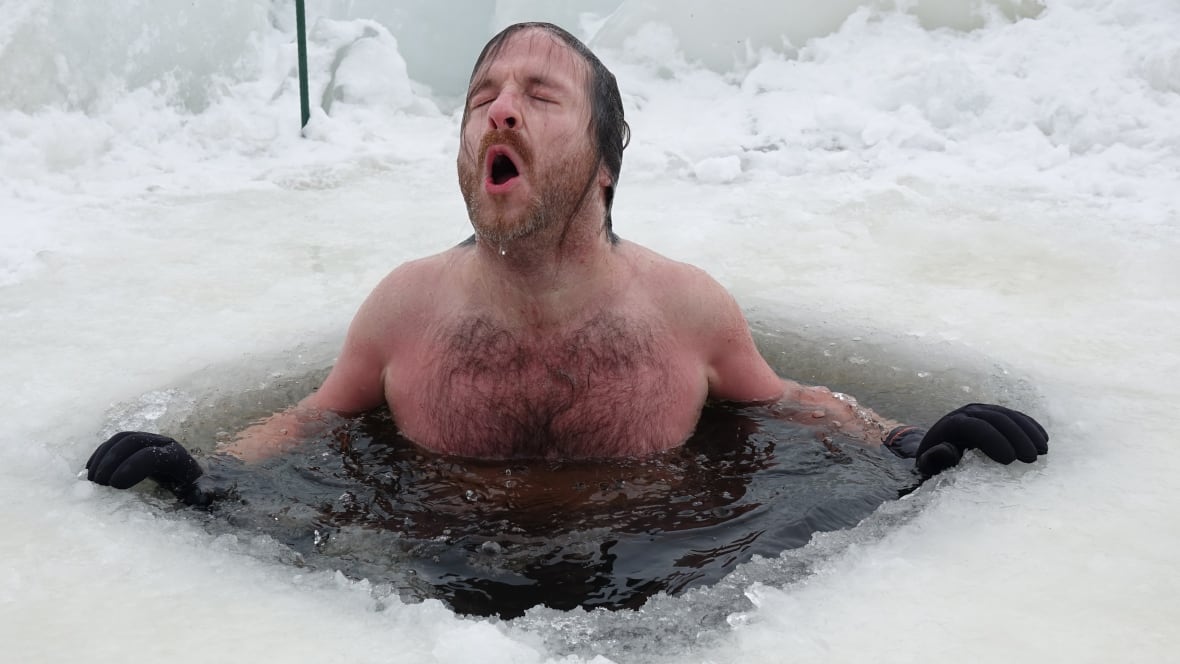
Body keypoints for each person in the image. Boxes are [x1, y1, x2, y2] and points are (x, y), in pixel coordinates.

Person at [85, 22, 1047, 504]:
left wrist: (908, 443)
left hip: (664, 585)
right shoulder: (402, 312)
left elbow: (790, 403)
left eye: (539, 97)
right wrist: (204, 476)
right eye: (481, 98)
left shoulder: (686, 310)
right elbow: (306, 423)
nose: (499, 110)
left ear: (606, 167)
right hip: (428, 594)